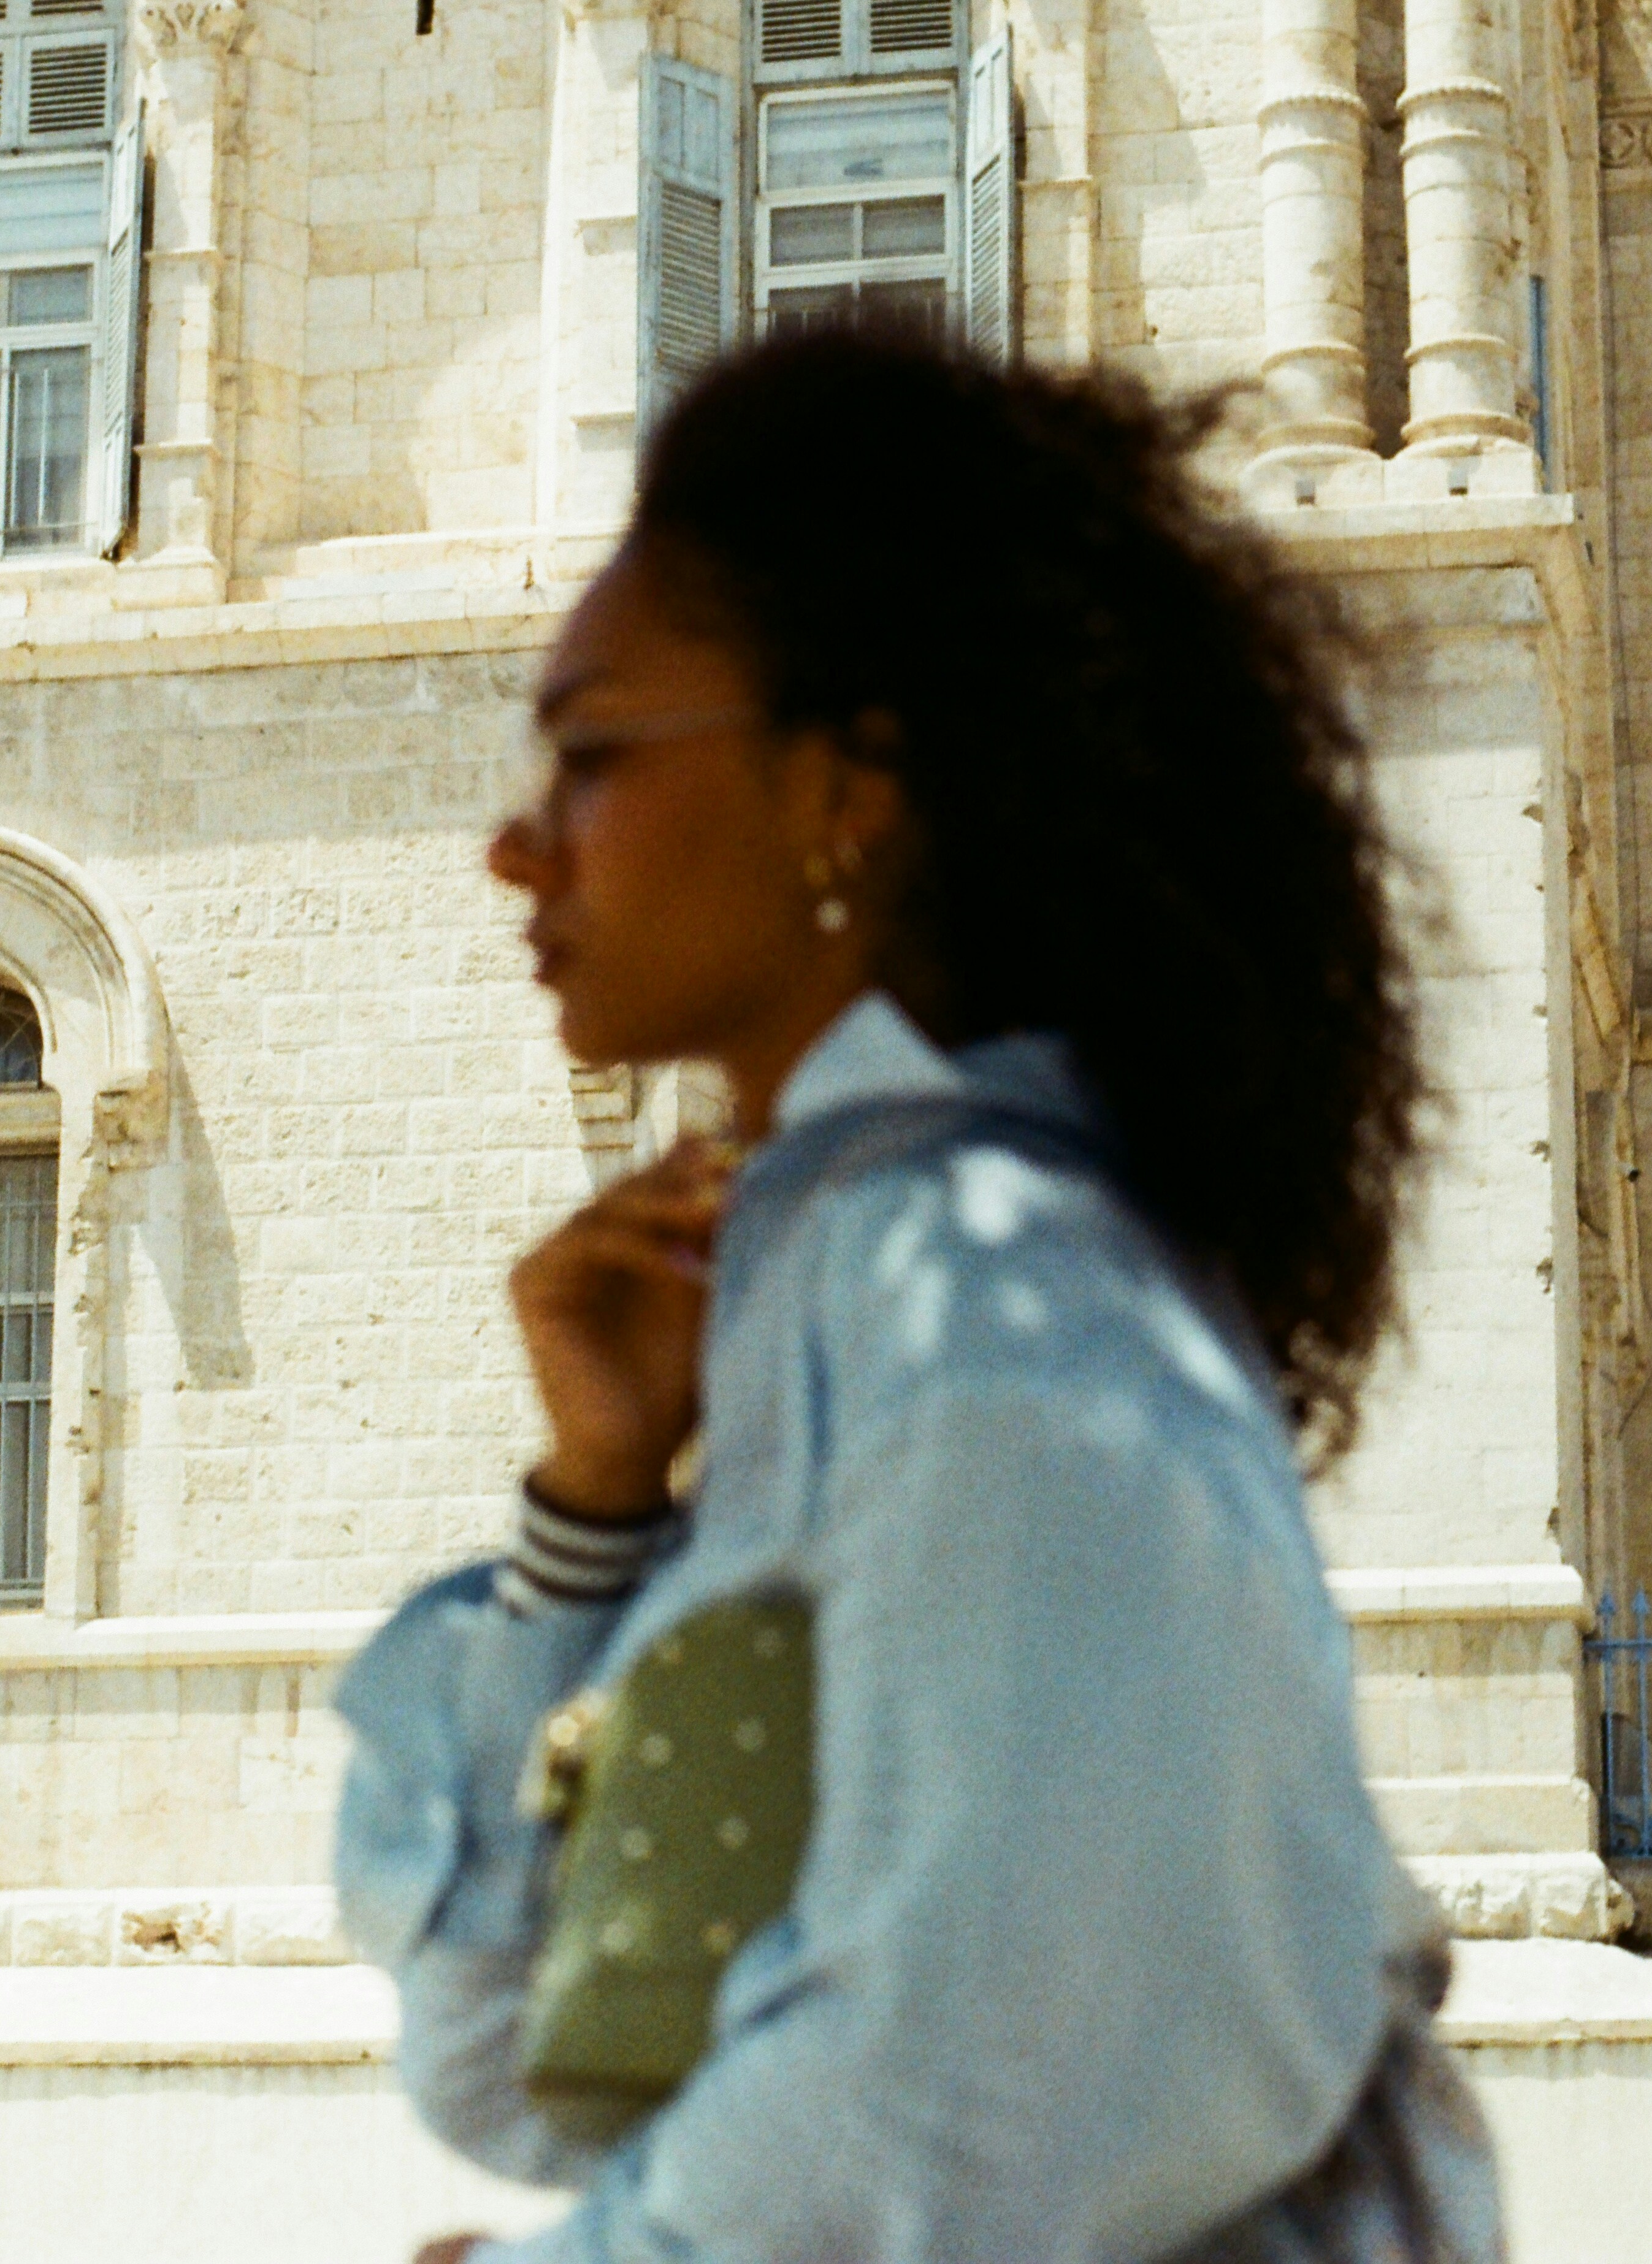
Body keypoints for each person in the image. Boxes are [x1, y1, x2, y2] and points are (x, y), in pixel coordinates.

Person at [334, 325, 1504, 2264]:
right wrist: (592, 1512)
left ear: (849, 790)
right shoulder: (850, 1285)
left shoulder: (1003, 1297)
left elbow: (993, 2080)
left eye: (600, 749)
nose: (519, 841)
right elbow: (534, 2063)